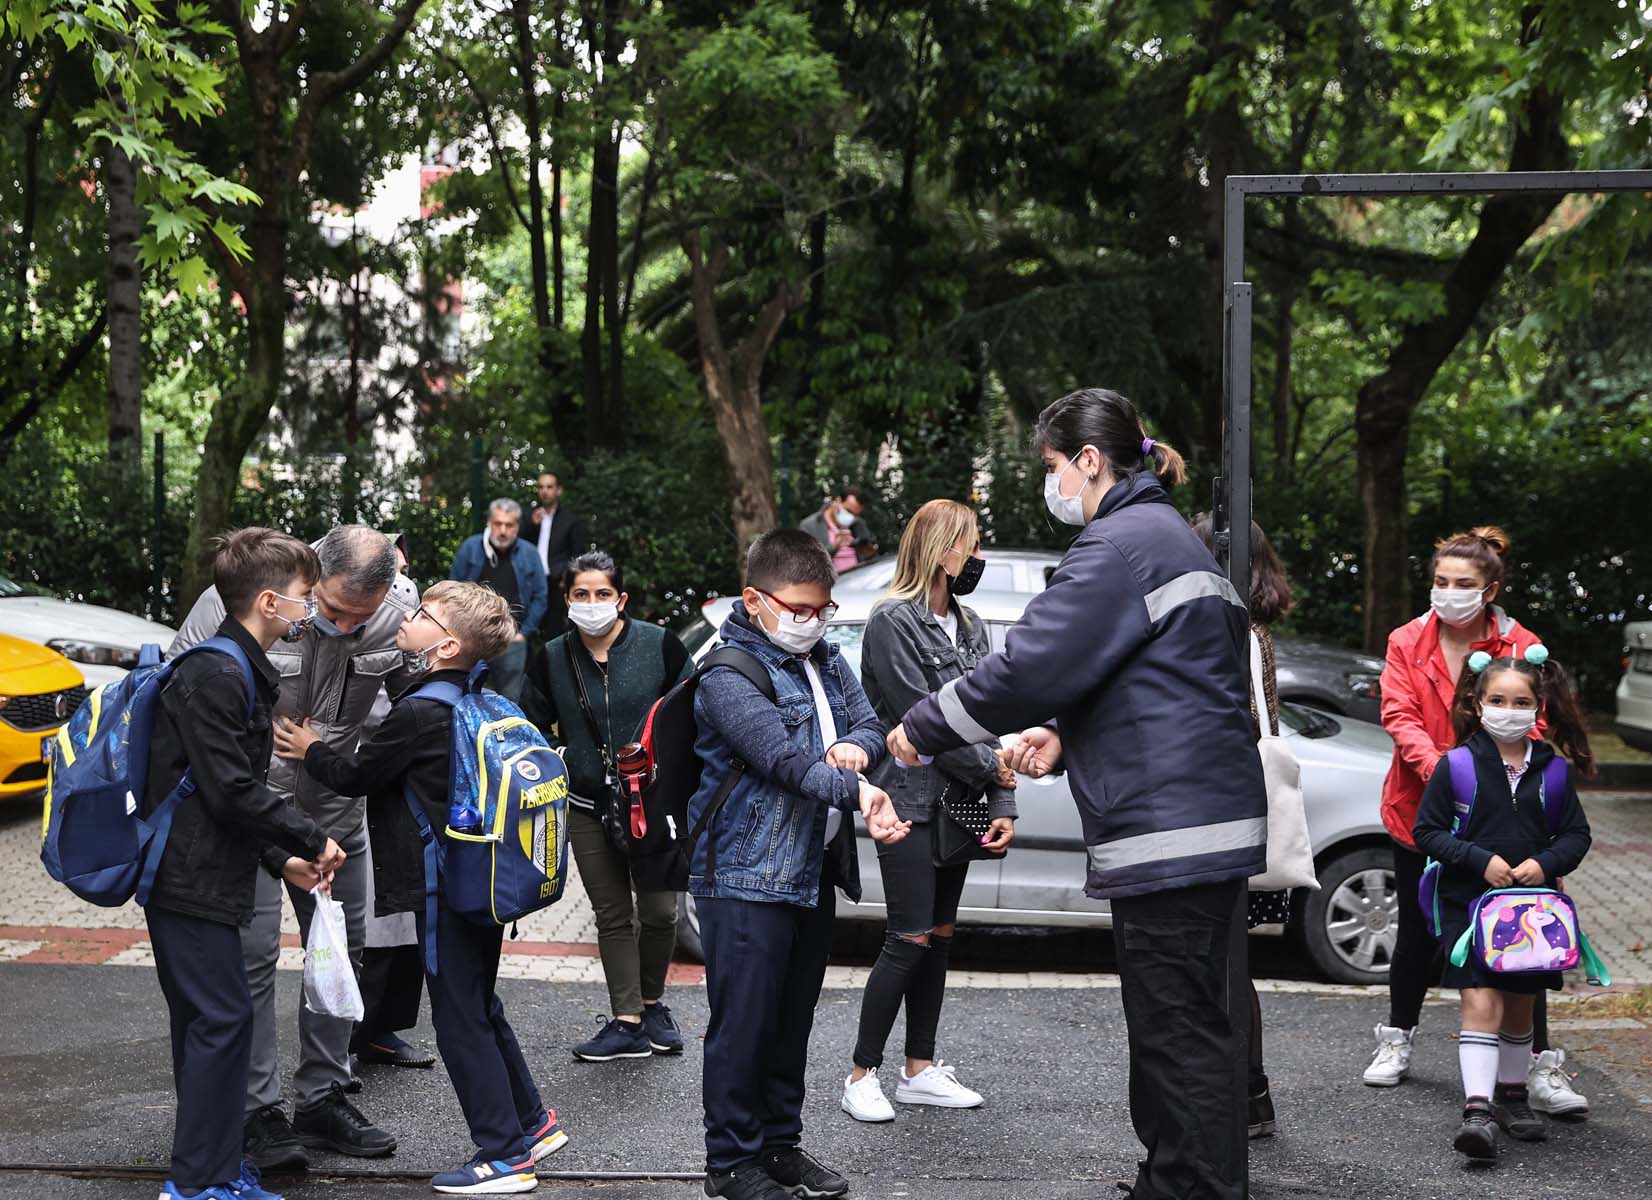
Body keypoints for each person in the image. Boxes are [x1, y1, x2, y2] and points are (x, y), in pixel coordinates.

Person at [887, 387, 1265, 1200]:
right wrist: (1065, 730)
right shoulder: (1163, 536)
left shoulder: (1118, 544)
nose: (1052, 482)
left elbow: (1029, 664)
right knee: (1189, 1027)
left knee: (1177, 1034)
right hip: (1195, 820)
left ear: (1090, 461)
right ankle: (1174, 1178)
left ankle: (1190, 1190)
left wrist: (922, 727)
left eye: (1054, 464)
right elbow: (1151, 672)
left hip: (1169, 830)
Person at [273, 581, 570, 1195]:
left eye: (423, 614)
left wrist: (311, 748)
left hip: (444, 888)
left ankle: (504, 1155)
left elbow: (356, 776)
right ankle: (532, 1121)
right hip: (486, 879)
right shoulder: (478, 697)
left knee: (459, 1020)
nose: (408, 616)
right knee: (480, 1003)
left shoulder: (417, 712)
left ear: (447, 645)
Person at [170, 525, 414, 1170]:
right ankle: (256, 1111)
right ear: (314, 576)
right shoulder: (252, 595)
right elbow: (182, 697)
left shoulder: (400, 611)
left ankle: (323, 1095)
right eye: (330, 608)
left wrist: (350, 759)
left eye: (359, 618)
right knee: (250, 958)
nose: (341, 625)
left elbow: (410, 705)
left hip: (336, 814)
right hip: (246, 815)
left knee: (340, 950)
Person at [692, 529, 910, 1200]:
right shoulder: (727, 674)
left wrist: (857, 749)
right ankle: (731, 1163)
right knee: (744, 1025)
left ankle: (779, 1146)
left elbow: (871, 724)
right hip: (745, 875)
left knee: (791, 1022)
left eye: (823, 610)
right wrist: (857, 789)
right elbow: (782, 760)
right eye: (799, 609)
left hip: (811, 870)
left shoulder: (825, 659)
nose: (812, 622)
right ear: (753, 598)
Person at [148, 528, 345, 1200]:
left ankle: (213, 1170)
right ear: (268, 602)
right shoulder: (218, 673)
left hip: (205, 872)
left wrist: (281, 858)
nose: (309, 609)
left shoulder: (234, 667)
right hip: (188, 879)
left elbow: (221, 793)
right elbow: (231, 789)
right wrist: (310, 838)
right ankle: (198, 1183)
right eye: (303, 596)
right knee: (220, 1022)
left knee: (212, 1023)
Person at [1363, 529, 1586, 1117]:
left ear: (1490, 590)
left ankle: (1538, 1065)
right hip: (1421, 808)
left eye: (1463, 584)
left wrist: (1487, 775)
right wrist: (1449, 772)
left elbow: (1535, 717)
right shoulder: (1407, 640)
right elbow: (1398, 713)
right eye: (1440, 581)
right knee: (1418, 932)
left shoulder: (1521, 643)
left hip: (1512, 820)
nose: (1448, 592)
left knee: (1529, 935)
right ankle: (1398, 1038)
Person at [842, 499, 1016, 1123]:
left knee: (939, 938)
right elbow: (927, 720)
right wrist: (996, 771)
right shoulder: (892, 620)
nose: (978, 556)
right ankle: (861, 1074)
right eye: (973, 544)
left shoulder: (971, 625)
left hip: (959, 802)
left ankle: (918, 1070)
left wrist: (1002, 800)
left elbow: (987, 717)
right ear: (944, 552)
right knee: (908, 937)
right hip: (907, 801)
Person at [1412, 650, 1594, 1162]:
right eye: (1497, 700)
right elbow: (1426, 831)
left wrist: (1545, 862)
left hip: (1532, 910)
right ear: (1477, 703)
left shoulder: (1554, 771)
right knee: (1480, 1000)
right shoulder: (1456, 766)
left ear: (1538, 707)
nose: (1507, 711)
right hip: (1469, 905)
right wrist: (1478, 859)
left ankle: (1513, 1097)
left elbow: (1576, 835)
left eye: (1520, 702)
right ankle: (1477, 1111)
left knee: (1520, 1005)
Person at [520, 550, 694, 1062]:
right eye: (581, 594)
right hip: (585, 803)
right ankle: (628, 1021)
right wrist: (564, 759)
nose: (591, 603)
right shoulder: (552, 656)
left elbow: (692, 711)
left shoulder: (659, 645)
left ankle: (652, 1003)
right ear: (566, 598)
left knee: (660, 912)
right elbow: (530, 725)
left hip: (651, 802)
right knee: (613, 914)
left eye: (602, 594)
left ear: (621, 599)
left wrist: (673, 774)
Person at [1191, 513, 1292, 1139]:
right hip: (1251, 819)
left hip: (1229, 819)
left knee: (1222, 963)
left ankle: (1244, 1092)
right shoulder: (1255, 629)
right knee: (1232, 962)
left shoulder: (1235, 631)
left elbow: (1245, 721)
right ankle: (1250, 1093)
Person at [352, 531, 434, 1075]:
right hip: (356, 773)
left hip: (402, 778)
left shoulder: (410, 624)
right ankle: (351, 1031)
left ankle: (383, 1027)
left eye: (402, 571)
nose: (400, 583)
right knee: (369, 914)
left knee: (404, 910)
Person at [449, 499, 548, 702]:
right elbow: (452, 590)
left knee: (510, 699)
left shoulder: (529, 553)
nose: (503, 530)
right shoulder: (470, 548)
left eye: (509, 525)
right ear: (489, 522)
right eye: (498, 523)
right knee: (465, 696)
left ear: (517, 526)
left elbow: (540, 597)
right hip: (471, 638)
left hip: (512, 639)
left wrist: (524, 634)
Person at [525, 472, 586, 641]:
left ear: (558, 490)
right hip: (531, 580)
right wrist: (531, 525)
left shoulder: (569, 520)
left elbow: (577, 553)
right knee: (528, 628)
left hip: (556, 582)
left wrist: (567, 577)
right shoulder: (528, 516)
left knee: (555, 630)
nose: (545, 491)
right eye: (541, 487)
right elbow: (518, 545)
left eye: (549, 487)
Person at [800, 487, 877, 573]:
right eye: (848, 511)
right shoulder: (810, 526)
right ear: (838, 501)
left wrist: (868, 551)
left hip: (859, 576)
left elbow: (870, 555)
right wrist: (835, 546)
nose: (851, 517)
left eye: (855, 515)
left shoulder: (858, 523)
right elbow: (807, 563)